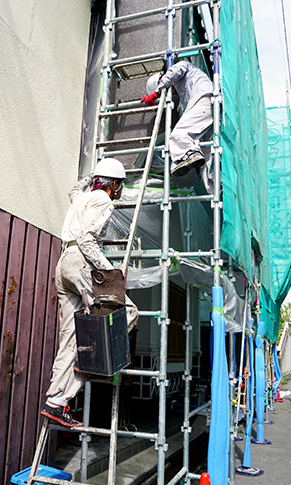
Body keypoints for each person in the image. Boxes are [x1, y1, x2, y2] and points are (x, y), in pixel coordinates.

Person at [41, 158, 138, 427]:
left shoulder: (81, 198)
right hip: (82, 262)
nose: (119, 190)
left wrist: (88, 178)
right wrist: (111, 274)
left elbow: (74, 190)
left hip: (63, 265)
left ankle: (55, 403)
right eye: (119, 185)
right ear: (114, 184)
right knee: (128, 312)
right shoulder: (105, 201)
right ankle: (90, 360)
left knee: (69, 336)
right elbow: (87, 238)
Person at [140, 59, 213, 189]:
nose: (171, 94)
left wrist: (157, 92)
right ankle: (216, 189)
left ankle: (190, 154)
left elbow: (175, 70)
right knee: (208, 156)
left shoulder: (184, 67)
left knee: (179, 134)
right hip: (209, 109)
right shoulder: (185, 92)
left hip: (204, 99)